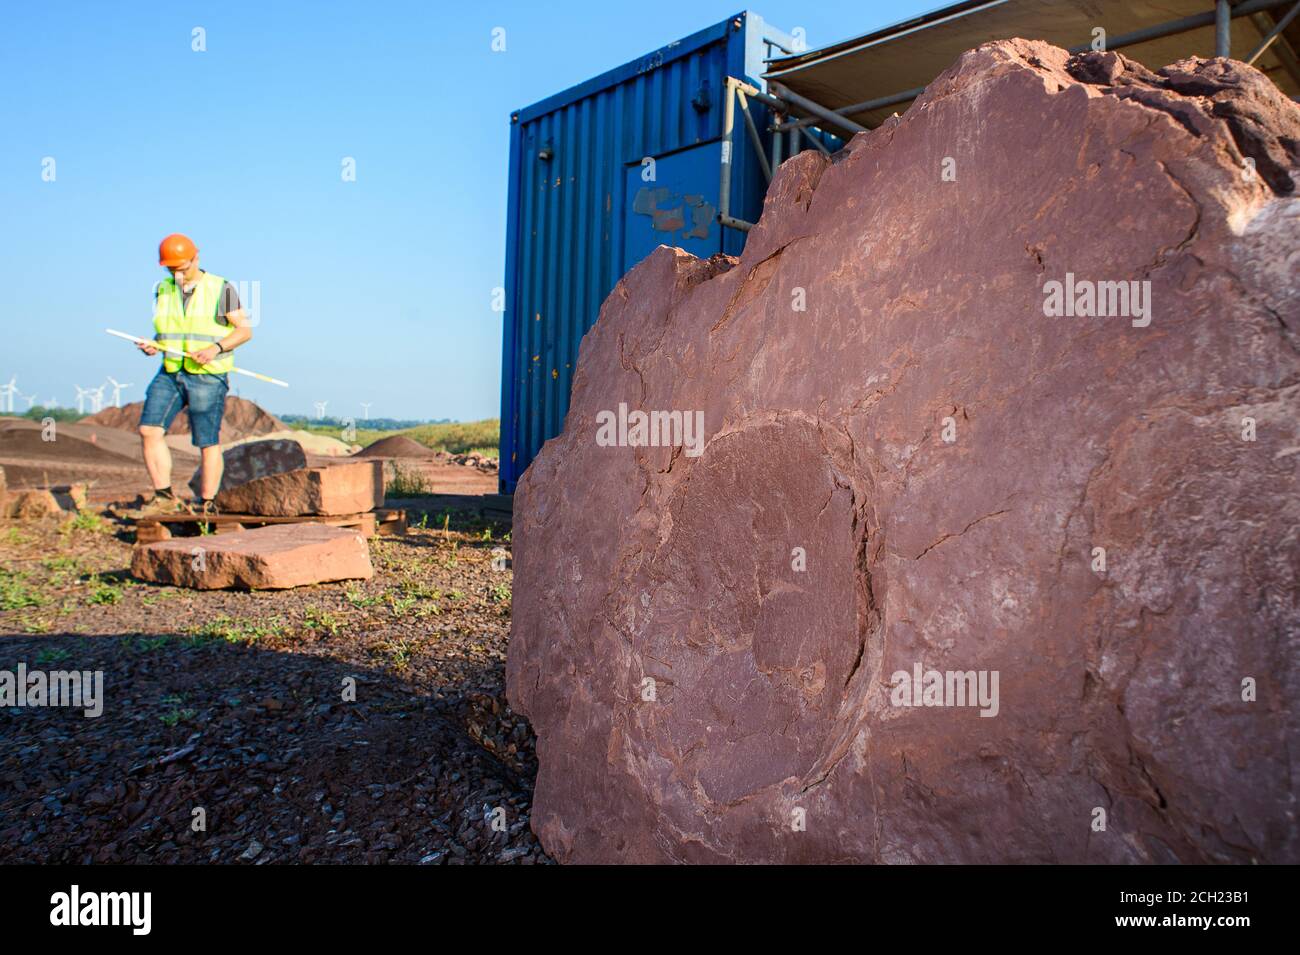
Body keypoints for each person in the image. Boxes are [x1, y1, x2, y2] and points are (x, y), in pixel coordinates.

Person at [137, 233, 252, 514]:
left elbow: (245, 330)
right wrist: (154, 344)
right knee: (149, 430)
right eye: (171, 268)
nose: (177, 273)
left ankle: (207, 503)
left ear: (196, 257)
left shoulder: (220, 288)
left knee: (206, 440)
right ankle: (163, 497)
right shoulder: (163, 289)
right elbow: (168, 328)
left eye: (182, 267)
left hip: (207, 373)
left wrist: (215, 348)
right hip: (171, 369)